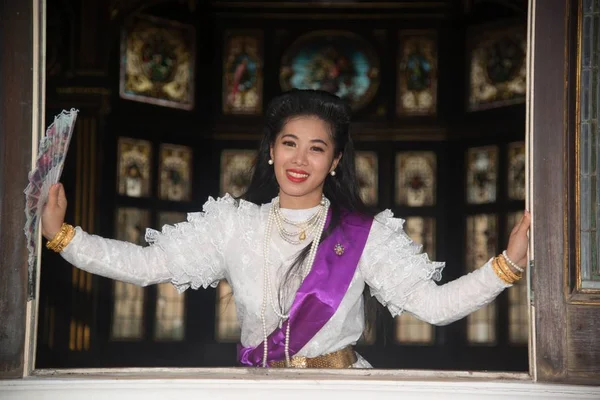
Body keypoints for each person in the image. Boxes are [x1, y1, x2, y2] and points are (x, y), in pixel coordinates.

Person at [42, 89, 530, 369]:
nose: (300, 159)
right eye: (289, 143)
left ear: (335, 161)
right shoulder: (233, 223)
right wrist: (64, 236)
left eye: (317, 148)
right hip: (259, 387)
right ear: (271, 149)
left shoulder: (365, 234)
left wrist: (506, 266)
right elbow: (146, 265)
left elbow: (434, 306)